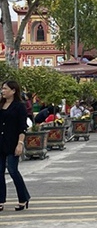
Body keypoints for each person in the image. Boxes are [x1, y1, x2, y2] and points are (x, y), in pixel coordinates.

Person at [0, 80, 31, 211]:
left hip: (13, 143)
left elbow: (22, 127)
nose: (3, 91)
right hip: (0, 142)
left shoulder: (19, 106)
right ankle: (0, 200)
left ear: (13, 91)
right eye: (2, 89)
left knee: (13, 170)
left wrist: (20, 143)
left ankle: (23, 198)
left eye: (5, 89)